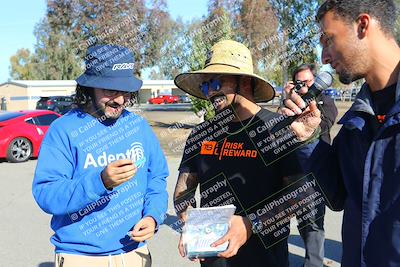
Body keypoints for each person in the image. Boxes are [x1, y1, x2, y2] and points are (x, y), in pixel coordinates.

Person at [173, 40, 318, 267]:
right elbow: (183, 192)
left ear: (246, 82)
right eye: (205, 85)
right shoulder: (201, 134)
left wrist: (251, 224)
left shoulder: (278, 129)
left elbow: (298, 195)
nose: (210, 91)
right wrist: (191, 225)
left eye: (217, 81)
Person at [281, 0, 400, 266]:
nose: (323, 57)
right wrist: (308, 137)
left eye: (328, 39)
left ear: (362, 25)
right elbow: (336, 197)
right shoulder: (356, 120)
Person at [32, 44, 168, 267]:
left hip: (135, 255)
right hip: (82, 258)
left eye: (124, 91)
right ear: (89, 87)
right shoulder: (63, 130)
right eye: (110, 91)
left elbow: (157, 178)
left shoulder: (138, 127)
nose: (120, 100)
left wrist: (153, 215)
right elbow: (47, 194)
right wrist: (100, 181)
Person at [281, 64, 338, 267]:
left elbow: (327, 123)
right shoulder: (290, 104)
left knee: (315, 220)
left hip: (316, 170)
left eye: (308, 82)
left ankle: (313, 263)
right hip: (293, 172)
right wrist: (285, 99)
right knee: (302, 220)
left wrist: (308, 109)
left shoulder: (326, 101)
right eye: (299, 83)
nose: (304, 86)